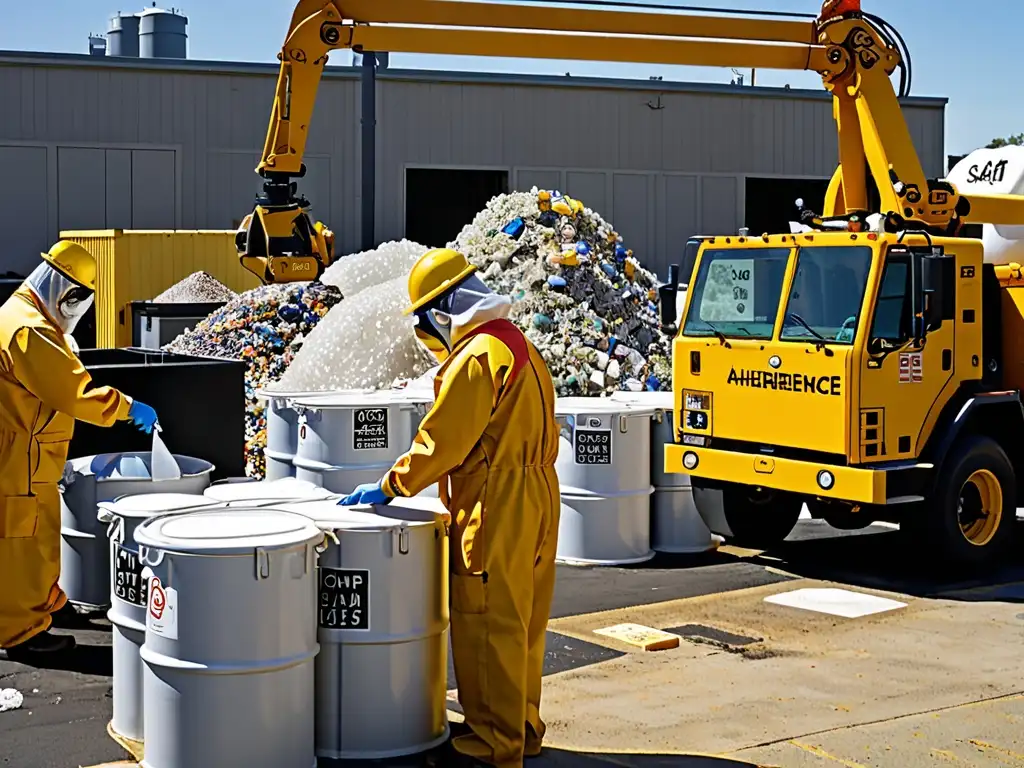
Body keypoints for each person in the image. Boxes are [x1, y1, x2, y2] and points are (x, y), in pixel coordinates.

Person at [339, 248, 561, 767]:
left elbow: (444, 442)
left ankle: (493, 744)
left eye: (424, 325)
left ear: (441, 313)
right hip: (540, 492)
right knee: (524, 623)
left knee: (487, 621)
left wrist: (392, 485)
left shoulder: (477, 356)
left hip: (497, 502)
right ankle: (522, 728)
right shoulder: (519, 344)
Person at [0, 241, 159, 660]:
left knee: (34, 537)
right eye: (76, 302)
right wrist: (126, 408)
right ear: (64, 292)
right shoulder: (29, 329)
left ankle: (43, 604)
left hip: (26, 454)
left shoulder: (21, 315)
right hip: (20, 457)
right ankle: (20, 633)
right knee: (22, 541)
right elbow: (74, 391)